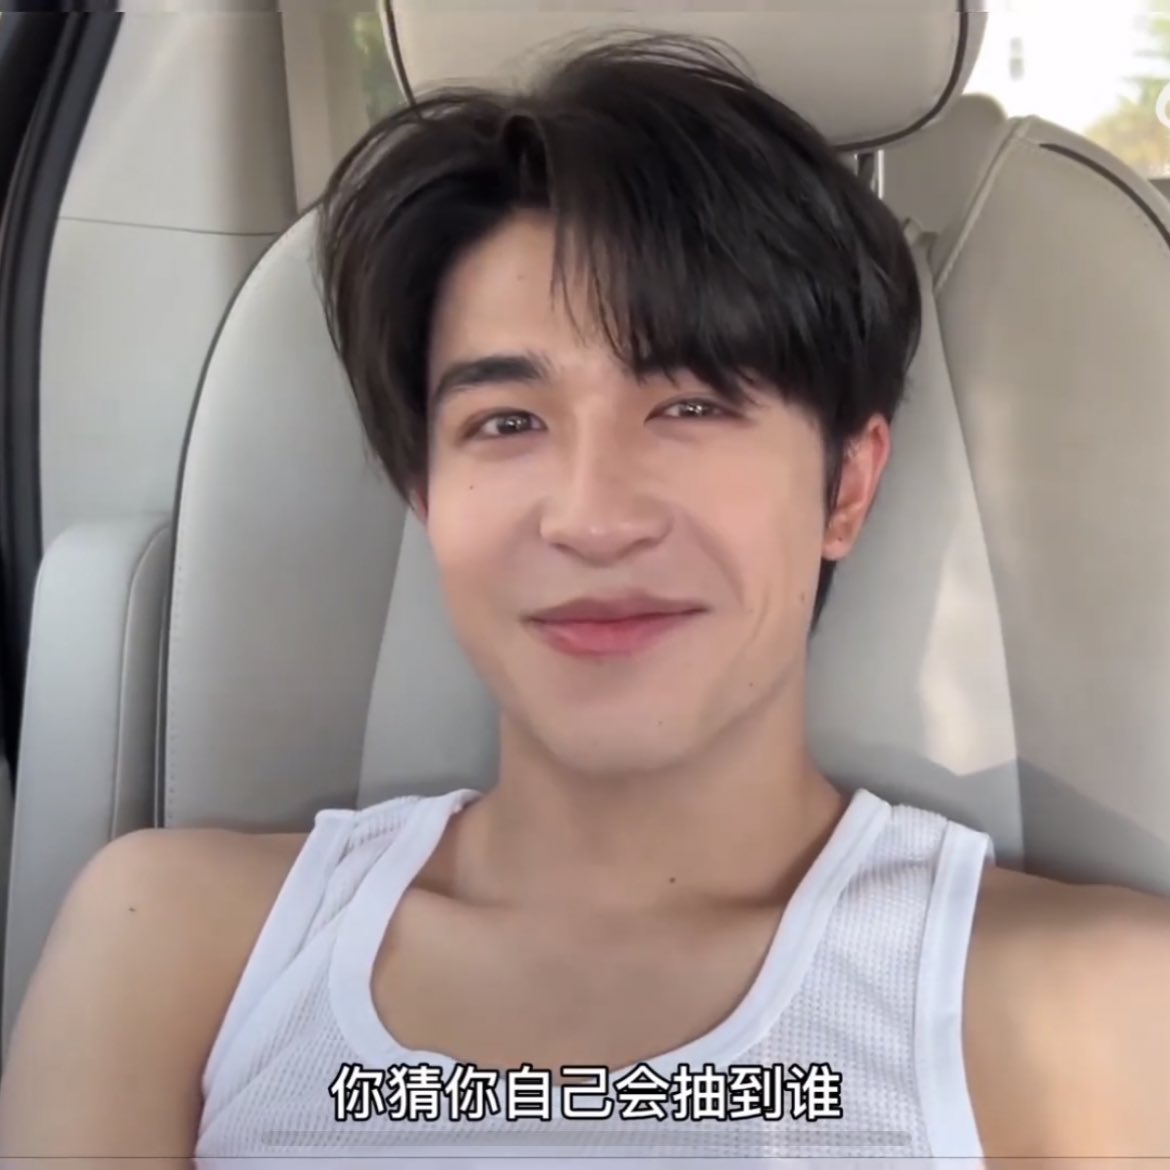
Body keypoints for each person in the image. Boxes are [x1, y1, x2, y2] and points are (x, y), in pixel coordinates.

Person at [1, 33, 1168, 1165]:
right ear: (425, 499)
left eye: (692, 406)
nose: (593, 517)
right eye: (506, 422)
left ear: (846, 488)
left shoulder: (1079, 1007)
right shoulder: (175, 944)